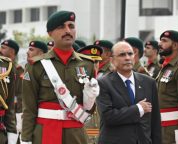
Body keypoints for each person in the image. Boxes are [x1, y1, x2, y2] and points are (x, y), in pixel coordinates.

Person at [21, 10, 99, 144]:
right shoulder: (36, 65)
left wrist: (90, 100)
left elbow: (89, 111)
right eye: (61, 27)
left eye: (71, 26)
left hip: (76, 134)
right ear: (50, 33)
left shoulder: (88, 64)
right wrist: (25, 140)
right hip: (45, 132)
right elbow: (29, 109)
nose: (67, 30)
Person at [96, 41, 161, 144]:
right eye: (122, 55)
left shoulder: (149, 82)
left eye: (130, 54)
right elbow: (108, 117)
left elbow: (155, 122)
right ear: (112, 60)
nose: (127, 58)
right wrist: (138, 109)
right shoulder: (103, 83)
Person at [1, 39, 23, 143]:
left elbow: (18, 95)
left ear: (12, 52)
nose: (1, 49)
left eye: (4, 47)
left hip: (12, 114)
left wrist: (18, 118)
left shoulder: (16, 70)